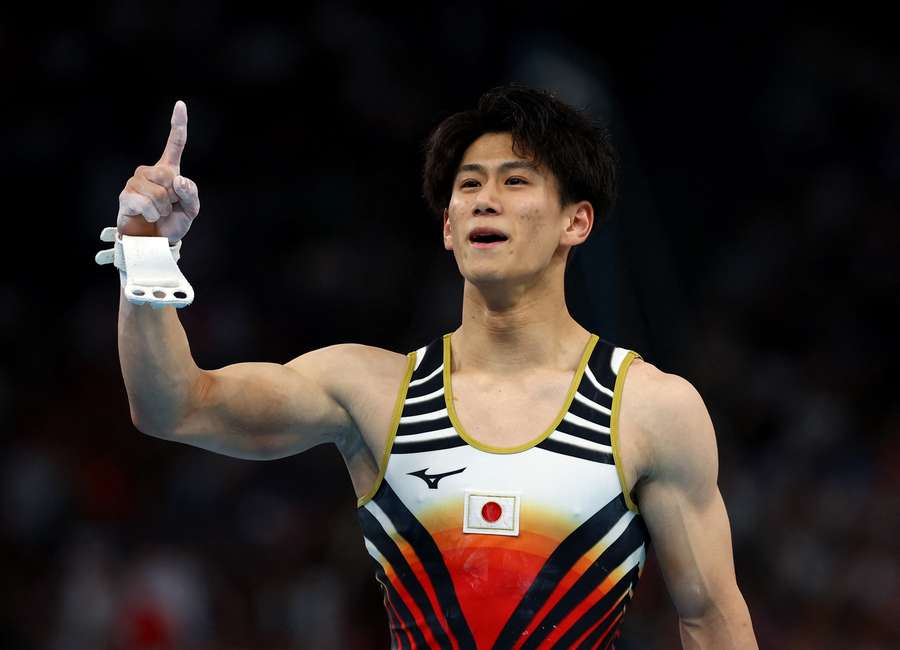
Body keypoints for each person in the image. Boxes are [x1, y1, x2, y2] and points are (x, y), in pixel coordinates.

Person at [109, 85, 758, 649]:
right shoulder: (370, 393)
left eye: (516, 180)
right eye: (468, 185)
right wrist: (144, 254)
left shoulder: (650, 410)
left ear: (576, 221)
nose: (484, 199)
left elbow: (712, 620)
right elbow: (175, 406)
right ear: (448, 227)